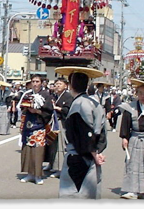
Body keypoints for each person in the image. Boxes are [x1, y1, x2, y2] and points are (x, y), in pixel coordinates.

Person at [55, 66, 107, 199]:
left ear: (70, 85)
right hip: (91, 154)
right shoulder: (95, 103)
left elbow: (83, 134)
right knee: (89, 193)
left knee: (74, 194)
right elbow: (101, 131)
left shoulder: (78, 104)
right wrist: (98, 151)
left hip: (78, 156)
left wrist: (94, 153)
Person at [118, 79, 144, 200]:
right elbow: (125, 124)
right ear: (136, 94)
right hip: (134, 138)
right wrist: (124, 138)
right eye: (140, 93)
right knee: (132, 164)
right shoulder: (129, 107)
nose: (143, 96)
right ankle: (132, 190)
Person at [20, 74, 53, 185]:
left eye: (37, 81)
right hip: (28, 125)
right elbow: (22, 107)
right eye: (33, 81)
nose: (35, 84)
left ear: (41, 83)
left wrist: (37, 111)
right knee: (27, 149)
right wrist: (26, 107)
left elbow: (49, 111)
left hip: (39, 125)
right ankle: (29, 173)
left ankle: (38, 175)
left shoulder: (46, 95)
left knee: (38, 150)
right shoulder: (27, 94)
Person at [44, 77, 73, 178]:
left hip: (61, 122)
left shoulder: (68, 96)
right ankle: (51, 163)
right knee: (51, 144)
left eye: (60, 84)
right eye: (56, 84)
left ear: (66, 85)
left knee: (60, 145)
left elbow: (68, 110)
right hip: (52, 122)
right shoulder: (53, 96)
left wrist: (57, 108)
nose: (57, 86)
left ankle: (60, 169)